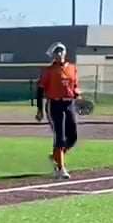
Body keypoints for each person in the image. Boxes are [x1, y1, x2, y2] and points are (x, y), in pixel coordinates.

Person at [34, 42, 82, 180]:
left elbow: (75, 86)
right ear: (53, 55)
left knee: (72, 137)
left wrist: (77, 93)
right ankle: (60, 168)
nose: (59, 54)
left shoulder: (72, 68)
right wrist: (39, 109)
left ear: (65, 53)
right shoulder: (48, 70)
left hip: (69, 103)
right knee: (59, 136)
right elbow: (40, 90)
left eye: (61, 51)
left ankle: (56, 157)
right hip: (54, 104)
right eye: (56, 52)